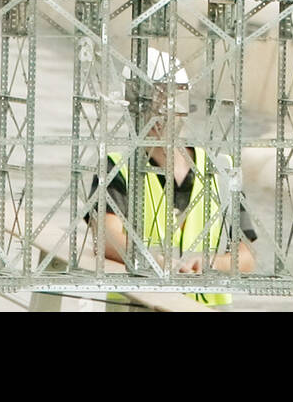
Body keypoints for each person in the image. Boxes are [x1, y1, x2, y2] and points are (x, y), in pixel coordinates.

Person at [89, 50, 255, 306]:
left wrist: (209, 263)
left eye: (169, 101)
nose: (162, 113)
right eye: (153, 103)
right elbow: (106, 239)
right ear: (134, 110)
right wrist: (159, 262)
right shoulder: (116, 168)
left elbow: (246, 258)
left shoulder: (221, 169)